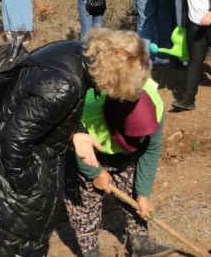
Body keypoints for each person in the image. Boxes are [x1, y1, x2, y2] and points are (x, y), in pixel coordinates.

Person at [0, 31, 151, 257]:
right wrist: (29, 187)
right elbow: (14, 140)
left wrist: (75, 133)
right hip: (3, 175)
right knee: (4, 245)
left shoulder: (73, 52)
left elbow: (36, 107)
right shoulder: (66, 85)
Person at [64, 29, 173, 257]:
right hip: (87, 152)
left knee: (134, 189)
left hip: (124, 154)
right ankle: (90, 250)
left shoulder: (153, 106)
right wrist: (94, 172)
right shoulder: (85, 98)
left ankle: (139, 242)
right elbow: (69, 137)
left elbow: (150, 152)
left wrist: (143, 194)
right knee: (84, 202)